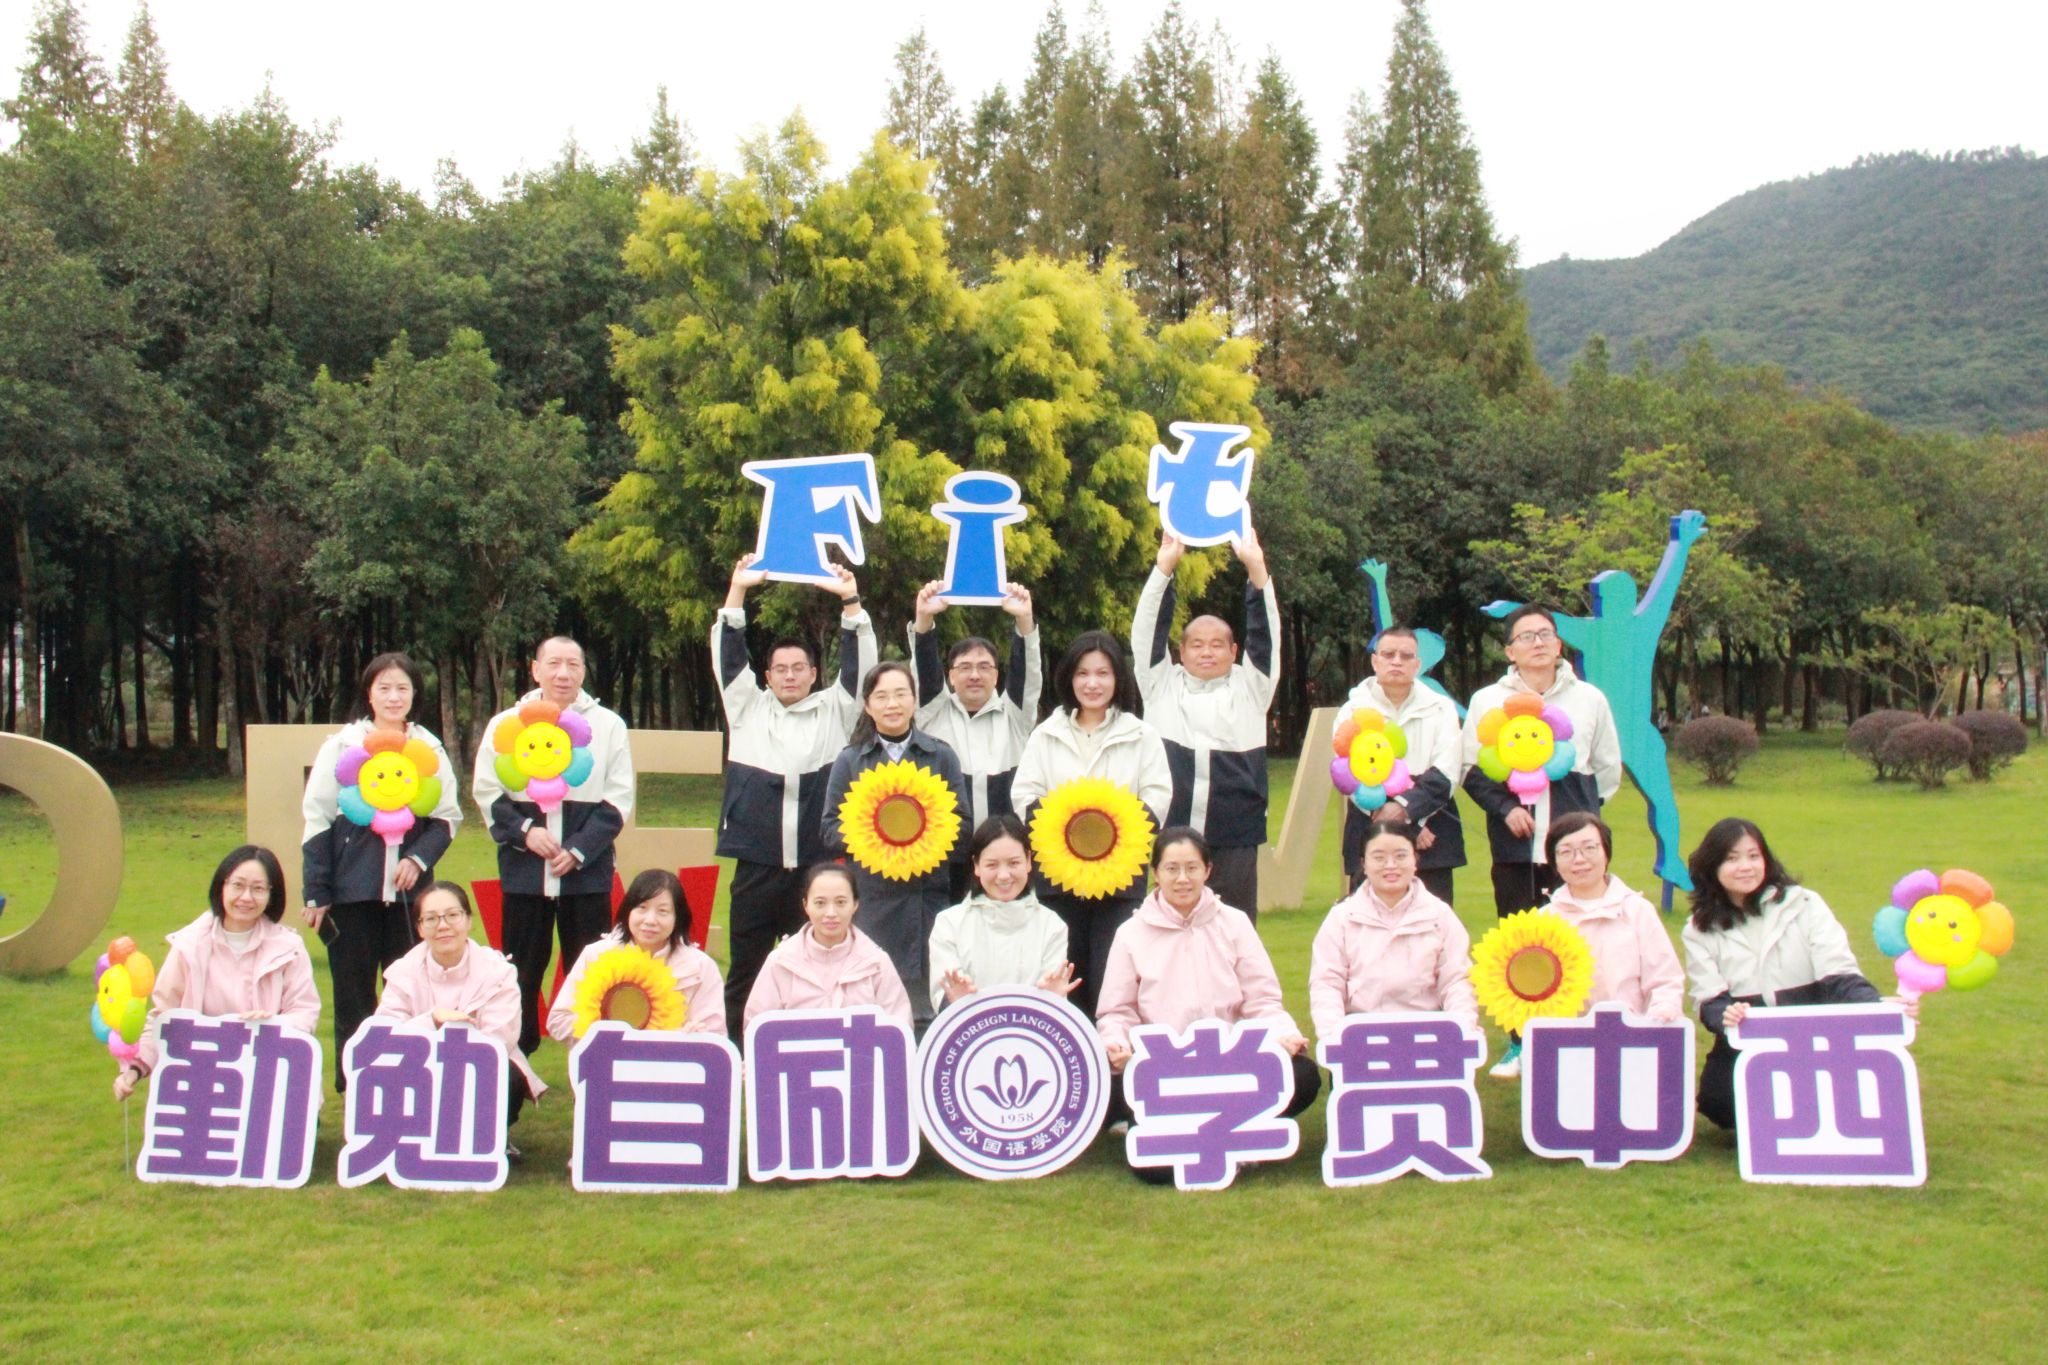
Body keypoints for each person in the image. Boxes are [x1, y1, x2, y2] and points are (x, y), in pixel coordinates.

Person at [714, 552, 877, 1040]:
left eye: (798, 668)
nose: (789, 675)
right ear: (766, 676)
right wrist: (738, 590)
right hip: (757, 868)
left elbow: (861, 667)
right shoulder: (746, 708)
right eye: (780, 669)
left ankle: (814, 1050)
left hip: (815, 868)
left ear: (813, 673)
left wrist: (850, 602)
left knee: (818, 971)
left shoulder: (836, 710)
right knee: (747, 970)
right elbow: (728, 654)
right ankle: (740, 1058)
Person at [1462, 604, 1621, 1077]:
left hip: (1573, 850)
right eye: (1526, 636)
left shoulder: (1589, 698)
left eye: (1545, 634)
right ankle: (1521, 1042)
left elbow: (1606, 769)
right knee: (1519, 942)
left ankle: (1580, 1035)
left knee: (1581, 939)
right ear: (1510, 651)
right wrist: (1505, 808)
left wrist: (1580, 819)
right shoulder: (1487, 701)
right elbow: (1470, 768)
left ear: (1559, 644)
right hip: (1514, 846)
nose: (1537, 643)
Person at [1681, 817, 1907, 1133]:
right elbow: (1708, 998)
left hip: (1813, 1030)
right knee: (1719, 1102)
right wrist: (1726, 1014)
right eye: (1732, 859)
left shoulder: (1805, 904)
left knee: (1832, 1093)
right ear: (1712, 867)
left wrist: (1876, 1006)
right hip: (1750, 1035)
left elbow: (1839, 973)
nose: (1745, 867)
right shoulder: (1699, 928)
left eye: (1753, 856)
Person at [300, 652, 461, 1091]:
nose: (394, 697)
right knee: (353, 996)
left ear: (415, 695)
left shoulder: (429, 749)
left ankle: (408, 1085)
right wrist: (317, 891)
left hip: (410, 901)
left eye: (402, 688)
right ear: (368, 693)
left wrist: (417, 859)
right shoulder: (342, 746)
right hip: (352, 896)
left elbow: (447, 817)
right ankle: (354, 1087)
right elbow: (317, 819)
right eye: (384, 688)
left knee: (411, 992)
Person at [472, 635, 636, 1059]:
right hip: (524, 873)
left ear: (583, 671)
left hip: (587, 876)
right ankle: (515, 1062)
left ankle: (595, 1060)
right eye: (554, 664)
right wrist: (526, 831)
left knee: (591, 974)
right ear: (535, 669)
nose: (563, 674)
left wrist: (579, 849)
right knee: (519, 973)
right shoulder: (506, 724)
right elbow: (487, 790)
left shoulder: (608, 725)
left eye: (573, 665)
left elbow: (619, 798)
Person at [1010, 630, 1172, 1016]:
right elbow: (1025, 795)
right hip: (1058, 881)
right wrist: (1068, 832)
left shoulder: (1141, 735)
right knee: (1062, 977)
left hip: (1119, 881)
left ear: (1118, 678)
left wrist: (1109, 836)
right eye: (1083, 673)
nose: (1092, 683)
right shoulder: (1046, 734)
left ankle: (1114, 1049)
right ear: (1069, 677)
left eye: (1102, 673)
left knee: (1114, 978)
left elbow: (1157, 797)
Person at [1132, 530, 1279, 917]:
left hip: (1235, 834)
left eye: (1217, 645)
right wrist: (1164, 569)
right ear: (1181, 651)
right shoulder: (1160, 685)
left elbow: (1265, 636)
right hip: (1170, 831)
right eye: (1197, 644)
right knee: (1167, 930)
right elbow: (1147, 634)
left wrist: (1256, 570)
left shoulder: (1253, 689)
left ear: (1234, 651)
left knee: (1233, 931)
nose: (1207, 652)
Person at [820, 660, 971, 1027]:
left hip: (927, 900)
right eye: (882, 696)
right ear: (868, 705)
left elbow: (964, 830)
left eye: (901, 694)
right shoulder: (850, 760)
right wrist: (872, 839)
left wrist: (925, 841)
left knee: (927, 1009)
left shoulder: (940, 756)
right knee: (872, 1007)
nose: (892, 704)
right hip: (873, 900)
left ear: (914, 701)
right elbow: (828, 829)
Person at [113, 846, 322, 1101]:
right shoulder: (189, 945)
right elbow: (164, 1018)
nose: (246, 897)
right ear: (221, 886)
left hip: (268, 1079)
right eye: (238, 885)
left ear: (271, 895)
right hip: (204, 1081)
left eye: (258, 889)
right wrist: (134, 1070)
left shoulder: (289, 947)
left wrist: (272, 1024)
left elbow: (305, 1013)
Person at [375, 881, 545, 1139]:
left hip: (479, 1066)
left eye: (452, 915)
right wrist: (432, 1021)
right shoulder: (403, 972)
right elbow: (385, 1036)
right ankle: (417, 1138)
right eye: (431, 919)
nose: (443, 925)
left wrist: (455, 1052)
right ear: (420, 928)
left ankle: (489, 1139)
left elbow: (501, 1039)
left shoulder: (498, 971)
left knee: (506, 1075)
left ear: (468, 920)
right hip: (418, 1067)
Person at [909, 579, 1042, 899]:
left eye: (984, 667)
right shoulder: (932, 712)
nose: (974, 675)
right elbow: (924, 669)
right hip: (946, 856)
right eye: (965, 667)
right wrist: (924, 620)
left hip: (1003, 856)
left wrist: (1024, 622)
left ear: (997, 675)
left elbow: (1027, 674)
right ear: (951, 675)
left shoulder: (1015, 715)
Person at [1308, 822, 1477, 1043]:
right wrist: (1334, 1039)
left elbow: (1457, 981)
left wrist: (1462, 1033)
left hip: (1428, 1034)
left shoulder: (1439, 915)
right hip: (1360, 1037)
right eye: (1379, 858)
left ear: (1415, 860)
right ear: (1364, 864)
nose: (1390, 865)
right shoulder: (1342, 918)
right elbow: (1326, 984)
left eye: (1400, 856)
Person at [1337, 626, 1465, 904]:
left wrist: (1409, 813)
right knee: (1367, 920)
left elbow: (1446, 773)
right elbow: (1347, 774)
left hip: (1433, 834)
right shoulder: (1352, 711)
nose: (1397, 661)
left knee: (1432, 921)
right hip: (1370, 827)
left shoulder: (1441, 708)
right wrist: (1403, 823)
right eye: (1388, 654)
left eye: (1406, 656)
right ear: (1375, 661)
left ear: (1417, 665)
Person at [547, 869, 727, 1040]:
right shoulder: (597, 955)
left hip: (671, 1061)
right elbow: (559, 1020)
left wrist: (689, 1038)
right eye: (642, 908)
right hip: (607, 1059)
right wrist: (600, 1033)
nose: (650, 920)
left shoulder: (700, 967)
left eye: (663, 911)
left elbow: (715, 1034)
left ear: (677, 918)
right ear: (628, 911)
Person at [1542, 812, 1684, 1025]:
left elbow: (1665, 980)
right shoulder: (1544, 920)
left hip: (1631, 1033)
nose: (1579, 859)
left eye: (1589, 848)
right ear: (1554, 861)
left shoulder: (1637, 911)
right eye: (1566, 852)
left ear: (1606, 853)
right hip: (1565, 1034)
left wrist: (1662, 1011)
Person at [927, 814, 1077, 1013]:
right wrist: (956, 1000)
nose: (1004, 875)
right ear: (976, 865)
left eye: (1014, 863)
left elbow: (1053, 999)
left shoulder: (1052, 925)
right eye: (992, 865)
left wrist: (1052, 999)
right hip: (970, 1028)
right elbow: (943, 993)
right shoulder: (949, 923)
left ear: (1029, 861)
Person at [742, 864, 913, 1027]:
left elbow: (899, 1026)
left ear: (855, 904)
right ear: (805, 905)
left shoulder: (877, 963)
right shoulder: (780, 962)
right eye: (820, 903)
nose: (831, 913)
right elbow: (757, 1027)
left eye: (840, 902)